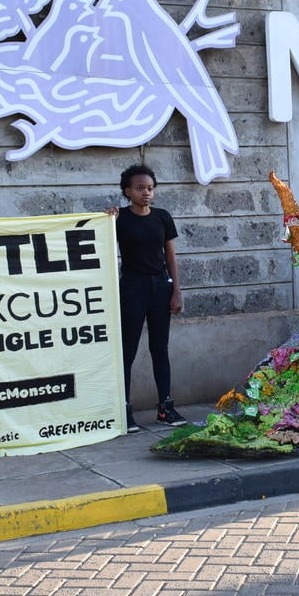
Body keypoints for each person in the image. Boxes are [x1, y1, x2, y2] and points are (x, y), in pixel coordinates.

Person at [107, 164, 188, 432]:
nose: (146, 193)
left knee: (159, 348)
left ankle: (165, 407)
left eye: (150, 188)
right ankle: (124, 409)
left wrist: (176, 290)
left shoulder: (163, 217)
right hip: (132, 288)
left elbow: (171, 257)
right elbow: (99, 241)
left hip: (159, 287)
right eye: (139, 188)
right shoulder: (119, 219)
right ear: (127, 191)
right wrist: (105, 219)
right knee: (127, 350)